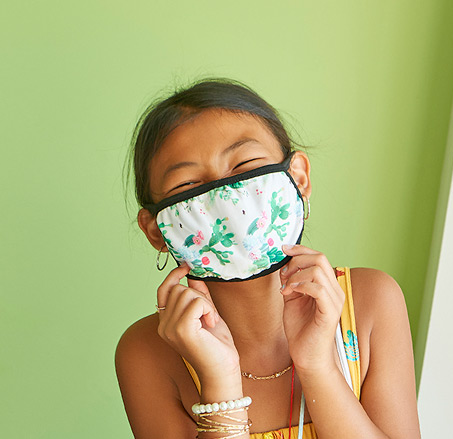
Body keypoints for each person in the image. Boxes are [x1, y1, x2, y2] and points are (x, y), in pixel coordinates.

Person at [115, 77, 421, 439]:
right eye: (189, 187)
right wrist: (220, 382)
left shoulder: (371, 302)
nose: (227, 201)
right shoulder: (147, 352)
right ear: (155, 230)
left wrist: (318, 367)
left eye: (244, 167)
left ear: (299, 177)